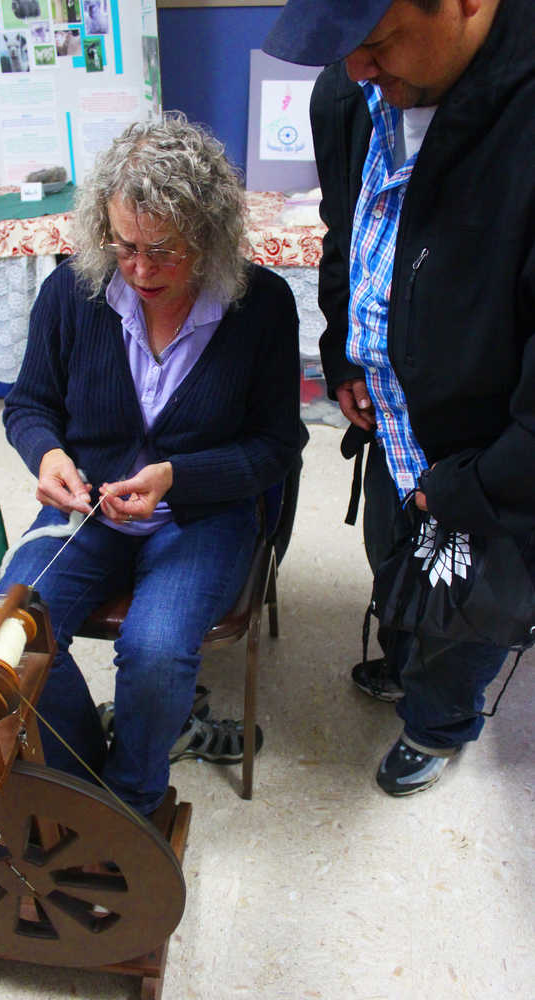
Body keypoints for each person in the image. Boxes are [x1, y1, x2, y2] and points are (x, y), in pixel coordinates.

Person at [0, 113, 305, 816]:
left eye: (163, 249)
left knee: (158, 651)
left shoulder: (259, 308)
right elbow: (29, 404)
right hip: (89, 508)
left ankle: (131, 804)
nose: (138, 269)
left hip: (201, 515)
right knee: (11, 634)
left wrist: (177, 477)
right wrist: (46, 455)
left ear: (210, 234)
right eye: (124, 244)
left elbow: (274, 449)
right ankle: (86, 784)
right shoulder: (71, 294)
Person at [263, 0, 535, 794]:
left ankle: (439, 721)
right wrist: (343, 353)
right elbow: (345, 229)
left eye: (375, 43)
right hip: (390, 412)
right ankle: (411, 658)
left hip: (493, 446)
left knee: (466, 601)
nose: (354, 69)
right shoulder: (351, 93)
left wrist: (478, 486)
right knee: (391, 552)